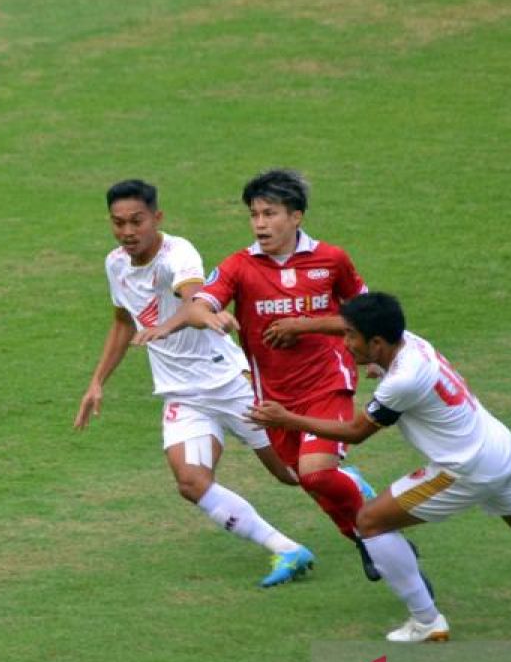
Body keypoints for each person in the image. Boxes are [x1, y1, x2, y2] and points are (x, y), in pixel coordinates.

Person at [247, 291, 511, 641]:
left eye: (353, 338)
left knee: (370, 521)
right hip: (500, 450)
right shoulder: (411, 344)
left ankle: (426, 621)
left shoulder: (402, 381)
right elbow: (375, 358)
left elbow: (357, 432)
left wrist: (287, 419)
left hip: (465, 469)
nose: (346, 344)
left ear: (377, 341)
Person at [135, 169, 382, 581]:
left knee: (314, 472)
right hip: (273, 395)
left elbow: (364, 312)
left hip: (327, 381)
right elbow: (201, 302)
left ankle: (373, 538)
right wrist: (203, 316)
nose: (260, 224)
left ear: (297, 216)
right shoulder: (239, 266)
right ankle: (361, 530)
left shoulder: (331, 260)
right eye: (254, 215)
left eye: (270, 214)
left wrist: (331, 338)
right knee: (298, 476)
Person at [74, 179, 315, 588]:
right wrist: (97, 382)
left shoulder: (177, 254)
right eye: (118, 223)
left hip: (228, 382)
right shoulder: (115, 263)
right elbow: (121, 321)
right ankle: (287, 549)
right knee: (190, 482)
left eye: (137, 221)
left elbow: (195, 298)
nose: (128, 232)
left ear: (157, 218)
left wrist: (207, 317)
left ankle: (360, 505)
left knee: (294, 473)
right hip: (182, 395)